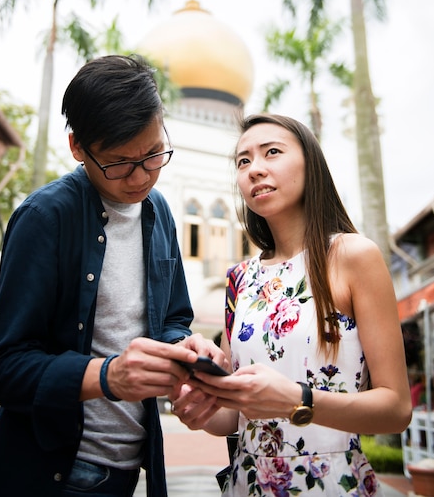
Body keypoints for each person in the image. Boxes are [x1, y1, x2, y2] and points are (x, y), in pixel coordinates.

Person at [0, 55, 224, 497]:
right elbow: (4, 371)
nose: (142, 176)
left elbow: (173, 317)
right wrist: (106, 376)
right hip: (52, 476)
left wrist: (186, 346)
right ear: (78, 148)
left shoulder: (158, 212)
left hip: (129, 475)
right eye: (120, 162)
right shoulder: (45, 218)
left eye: (154, 153)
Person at [170, 113, 412, 496]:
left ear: (310, 164)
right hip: (247, 482)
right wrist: (197, 401)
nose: (255, 169)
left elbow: (397, 409)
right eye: (244, 161)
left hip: (332, 481)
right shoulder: (239, 279)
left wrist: (298, 400)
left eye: (272, 152)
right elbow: (233, 418)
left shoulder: (353, 256)